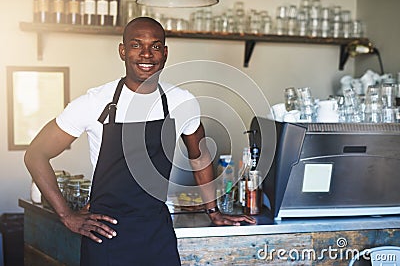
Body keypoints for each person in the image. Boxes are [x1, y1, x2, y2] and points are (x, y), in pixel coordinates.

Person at [24, 17, 256, 266]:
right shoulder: (94, 102)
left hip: (157, 234)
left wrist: (214, 212)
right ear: (123, 51)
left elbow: (198, 156)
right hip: (106, 236)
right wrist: (66, 215)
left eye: (155, 46)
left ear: (165, 53)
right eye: (136, 45)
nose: (146, 54)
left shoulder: (181, 102)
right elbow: (35, 154)